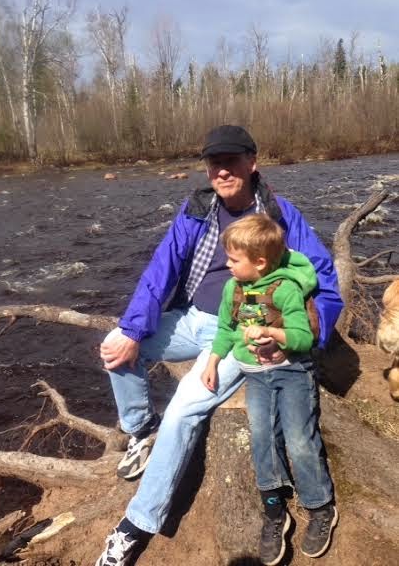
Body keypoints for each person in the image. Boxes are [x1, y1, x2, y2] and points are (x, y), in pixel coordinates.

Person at [96, 125, 343, 566]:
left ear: (252, 163)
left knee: (182, 410)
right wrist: (133, 329)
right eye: (215, 163)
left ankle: (135, 524)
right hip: (191, 318)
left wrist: (307, 337)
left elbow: (322, 275)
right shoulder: (197, 209)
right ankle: (140, 429)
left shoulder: (278, 215)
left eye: (231, 161)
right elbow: (161, 269)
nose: (223, 171)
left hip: (238, 332)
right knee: (115, 346)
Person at [201, 214, 338, 565]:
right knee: (262, 439)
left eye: (234, 259)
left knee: (299, 440)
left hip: (292, 373)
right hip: (256, 376)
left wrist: (274, 334)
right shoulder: (233, 289)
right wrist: (213, 361)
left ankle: (320, 506)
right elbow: (226, 328)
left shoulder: (286, 289)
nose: (227, 265)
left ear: (260, 262)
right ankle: (275, 510)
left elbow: (304, 337)